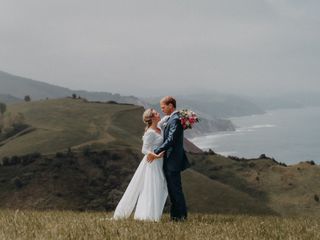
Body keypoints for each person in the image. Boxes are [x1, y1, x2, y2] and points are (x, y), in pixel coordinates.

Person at [113, 109, 168, 222]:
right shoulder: (150, 132)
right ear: (152, 118)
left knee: (160, 187)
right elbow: (144, 149)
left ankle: (154, 214)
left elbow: (165, 120)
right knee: (153, 187)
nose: (159, 114)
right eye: (156, 113)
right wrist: (156, 156)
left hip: (160, 163)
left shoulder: (159, 127)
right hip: (153, 163)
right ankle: (148, 216)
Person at [148, 96, 190, 221]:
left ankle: (180, 217)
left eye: (163, 107)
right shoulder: (172, 119)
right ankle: (176, 216)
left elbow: (170, 140)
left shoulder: (175, 120)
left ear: (171, 106)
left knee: (175, 189)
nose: (162, 110)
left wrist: (156, 150)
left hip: (173, 161)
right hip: (171, 160)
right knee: (173, 189)